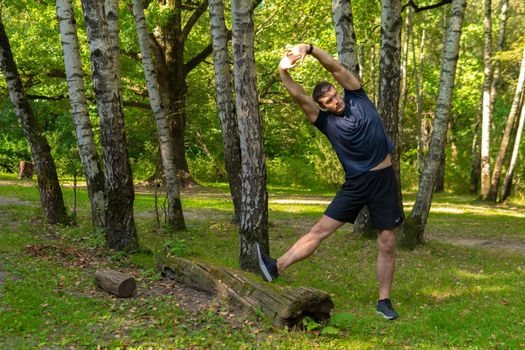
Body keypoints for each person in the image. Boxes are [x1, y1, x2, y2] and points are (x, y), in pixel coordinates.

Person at [252, 43, 403, 320]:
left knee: (387, 242)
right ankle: (275, 267)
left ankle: (384, 301)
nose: (336, 101)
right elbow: (299, 96)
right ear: (323, 107)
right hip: (356, 184)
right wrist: (284, 72)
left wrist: (308, 48)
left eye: (335, 95)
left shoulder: (357, 96)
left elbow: (335, 67)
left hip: (384, 181)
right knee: (319, 231)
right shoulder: (325, 122)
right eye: (329, 101)